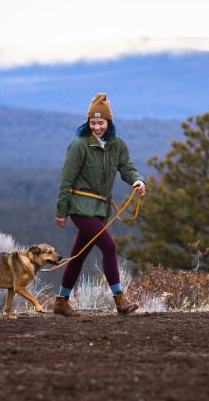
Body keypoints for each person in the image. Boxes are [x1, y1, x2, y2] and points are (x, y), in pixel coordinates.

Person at [54, 93, 146, 317]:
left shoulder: (117, 145)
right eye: (93, 122)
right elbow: (65, 180)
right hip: (80, 208)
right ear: (88, 122)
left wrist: (138, 179)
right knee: (109, 247)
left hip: (100, 209)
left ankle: (61, 301)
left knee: (79, 255)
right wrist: (61, 211)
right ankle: (120, 300)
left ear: (109, 123)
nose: (96, 127)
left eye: (101, 122)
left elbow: (127, 167)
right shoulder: (79, 145)